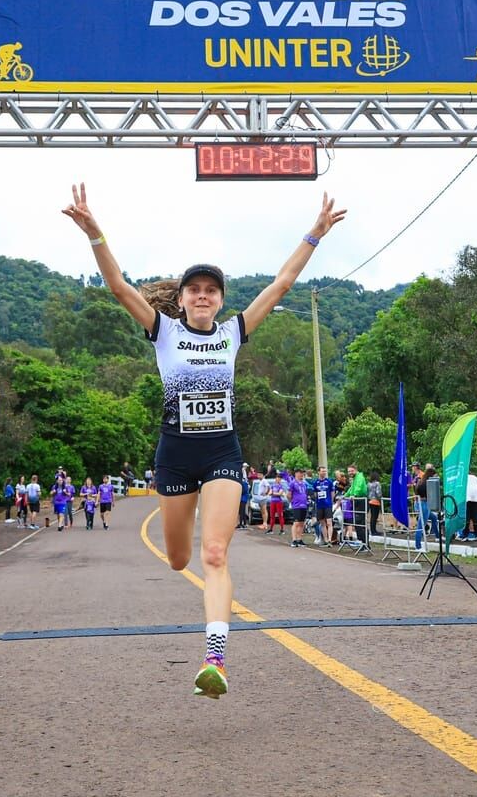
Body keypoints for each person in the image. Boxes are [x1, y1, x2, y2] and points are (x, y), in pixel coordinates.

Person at [63, 181, 345, 698]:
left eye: (211, 291)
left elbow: (281, 285)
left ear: (219, 301)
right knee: (177, 558)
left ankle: (215, 659)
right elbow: (121, 288)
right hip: (174, 457)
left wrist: (315, 233)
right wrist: (95, 234)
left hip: (221, 453)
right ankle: (188, 559)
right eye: (194, 290)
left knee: (213, 553)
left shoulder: (233, 333)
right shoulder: (163, 333)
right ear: (182, 299)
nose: (202, 296)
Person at [288, 468, 311, 547]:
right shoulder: (292, 483)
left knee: (302, 523)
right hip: (296, 505)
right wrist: (292, 502)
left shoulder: (304, 483)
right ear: (296, 474)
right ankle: (294, 540)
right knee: (296, 522)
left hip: (304, 505)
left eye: (302, 473)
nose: (301, 475)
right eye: (300, 473)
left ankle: (299, 539)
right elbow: (289, 494)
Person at [366, 471, 383, 538]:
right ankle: (374, 531)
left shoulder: (368, 484)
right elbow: (378, 492)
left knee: (372, 516)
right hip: (376, 501)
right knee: (375, 517)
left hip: (370, 501)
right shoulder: (377, 483)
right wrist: (380, 498)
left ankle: (372, 530)